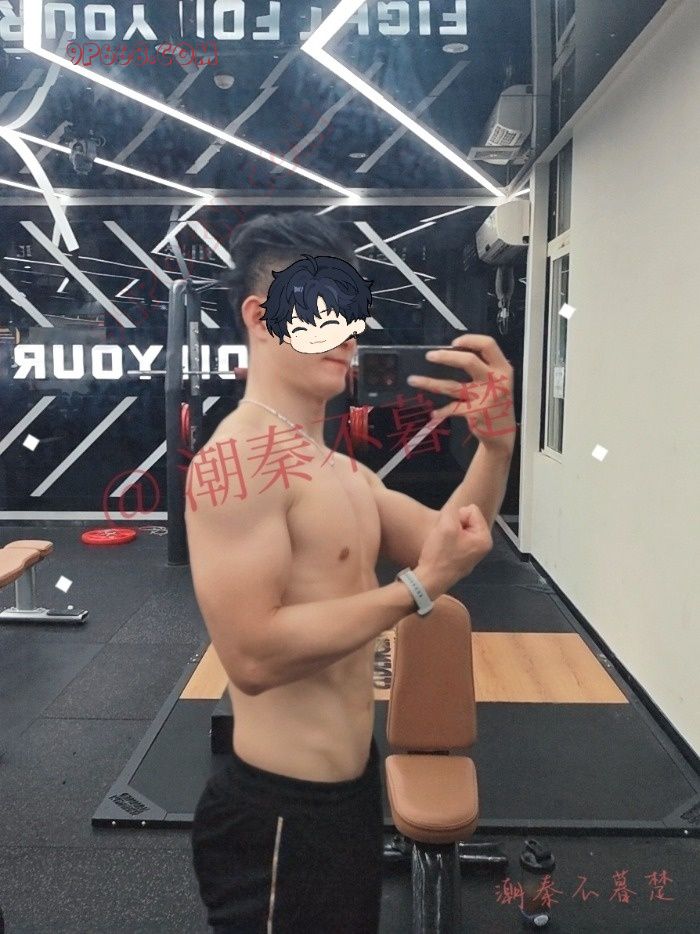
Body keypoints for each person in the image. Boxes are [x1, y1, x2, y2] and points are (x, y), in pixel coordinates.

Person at [187, 210, 494, 933]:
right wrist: (415, 589)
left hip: (352, 792)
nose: (347, 334)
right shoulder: (237, 460)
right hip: (277, 813)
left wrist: (496, 447)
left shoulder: (341, 472)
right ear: (260, 317)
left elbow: (456, 539)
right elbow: (252, 657)